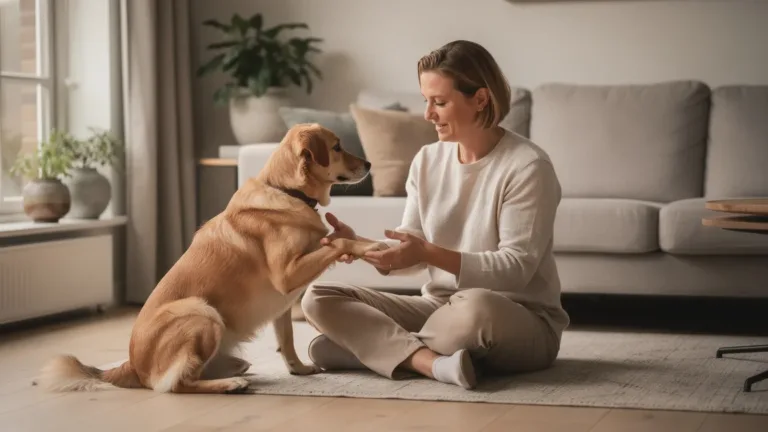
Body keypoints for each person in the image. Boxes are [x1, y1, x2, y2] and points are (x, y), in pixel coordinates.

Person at [300, 39, 570, 390]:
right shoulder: (428, 159)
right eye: (426, 101)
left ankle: (371, 348)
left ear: (480, 99)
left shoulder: (527, 166)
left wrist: (427, 252)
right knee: (318, 297)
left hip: (516, 318)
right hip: (439, 309)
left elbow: (516, 270)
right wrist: (357, 245)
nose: (428, 114)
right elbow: (410, 251)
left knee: (476, 309)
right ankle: (432, 363)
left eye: (439, 102)